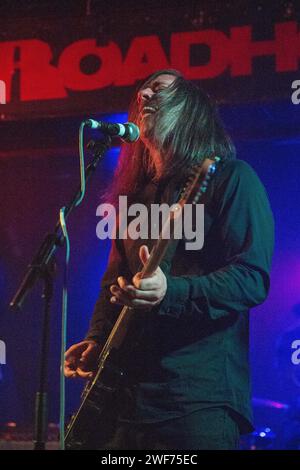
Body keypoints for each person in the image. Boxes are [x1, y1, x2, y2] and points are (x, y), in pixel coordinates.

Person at [64, 69, 274, 450]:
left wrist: (171, 292)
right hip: (125, 403)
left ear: (189, 108)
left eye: (159, 88)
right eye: (142, 89)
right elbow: (113, 282)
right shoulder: (134, 199)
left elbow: (251, 278)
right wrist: (96, 340)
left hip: (195, 401)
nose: (143, 93)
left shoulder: (232, 179)